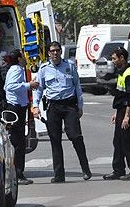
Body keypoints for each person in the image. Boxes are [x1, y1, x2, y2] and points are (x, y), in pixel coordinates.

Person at [32, 41, 92, 183]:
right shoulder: (44, 68)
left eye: (57, 50)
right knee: (55, 140)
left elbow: (77, 86)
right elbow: (39, 89)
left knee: (75, 136)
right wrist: (35, 106)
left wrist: (80, 106)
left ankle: (85, 169)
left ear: (60, 51)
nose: (55, 53)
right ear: (49, 53)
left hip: (69, 105)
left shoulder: (69, 66)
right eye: (52, 51)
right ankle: (59, 174)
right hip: (53, 106)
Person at [103, 46, 130, 180]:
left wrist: (126, 117)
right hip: (122, 110)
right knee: (118, 141)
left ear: (122, 58)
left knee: (128, 140)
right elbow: (121, 96)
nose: (113, 61)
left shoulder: (129, 74)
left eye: (115, 59)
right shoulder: (122, 72)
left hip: (128, 111)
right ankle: (118, 170)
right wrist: (117, 113)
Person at [4, 49, 39, 185]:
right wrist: (28, 85)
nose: (25, 59)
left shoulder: (14, 69)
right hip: (16, 107)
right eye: (23, 57)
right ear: (19, 59)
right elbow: (10, 86)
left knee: (18, 141)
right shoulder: (17, 69)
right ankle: (18, 174)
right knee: (18, 142)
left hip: (17, 107)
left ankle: (18, 173)